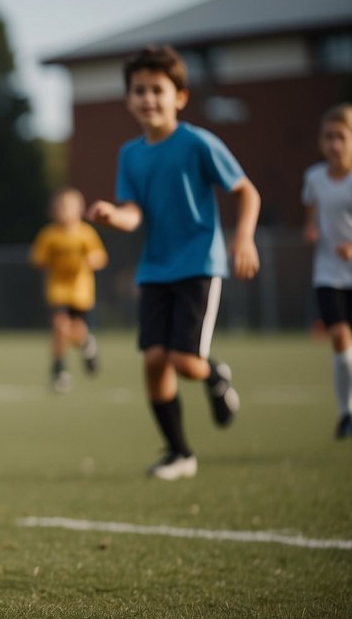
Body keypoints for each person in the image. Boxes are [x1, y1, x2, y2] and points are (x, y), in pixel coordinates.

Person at [88, 45, 261, 481]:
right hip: (156, 268)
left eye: (157, 90)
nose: (148, 98)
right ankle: (179, 453)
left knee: (185, 361)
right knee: (153, 360)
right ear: (128, 99)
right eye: (139, 90)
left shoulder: (199, 142)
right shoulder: (130, 154)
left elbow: (246, 191)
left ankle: (215, 374)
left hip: (200, 263)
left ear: (179, 97)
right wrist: (114, 216)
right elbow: (134, 213)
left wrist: (243, 238)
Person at [301, 103, 352, 439]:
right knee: (338, 336)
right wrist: (311, 231)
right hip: (328, 272)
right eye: (328, 137)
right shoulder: (314, 178)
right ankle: (345, 413)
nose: (333, 144)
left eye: (341, 137)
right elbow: (311, 215)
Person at [30, 187, 108, 392]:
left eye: (67, 206)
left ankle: (85, 343)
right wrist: (42, 260)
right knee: (59, 327)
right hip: (58, 290)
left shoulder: (85, 233)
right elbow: (37, 258)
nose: (62, 210)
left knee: (76, 330)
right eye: (59, 206)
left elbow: (100, 256)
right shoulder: (49, 235)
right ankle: (59, 369)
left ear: (79, 210)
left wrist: (93, 259)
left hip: (81, 291)